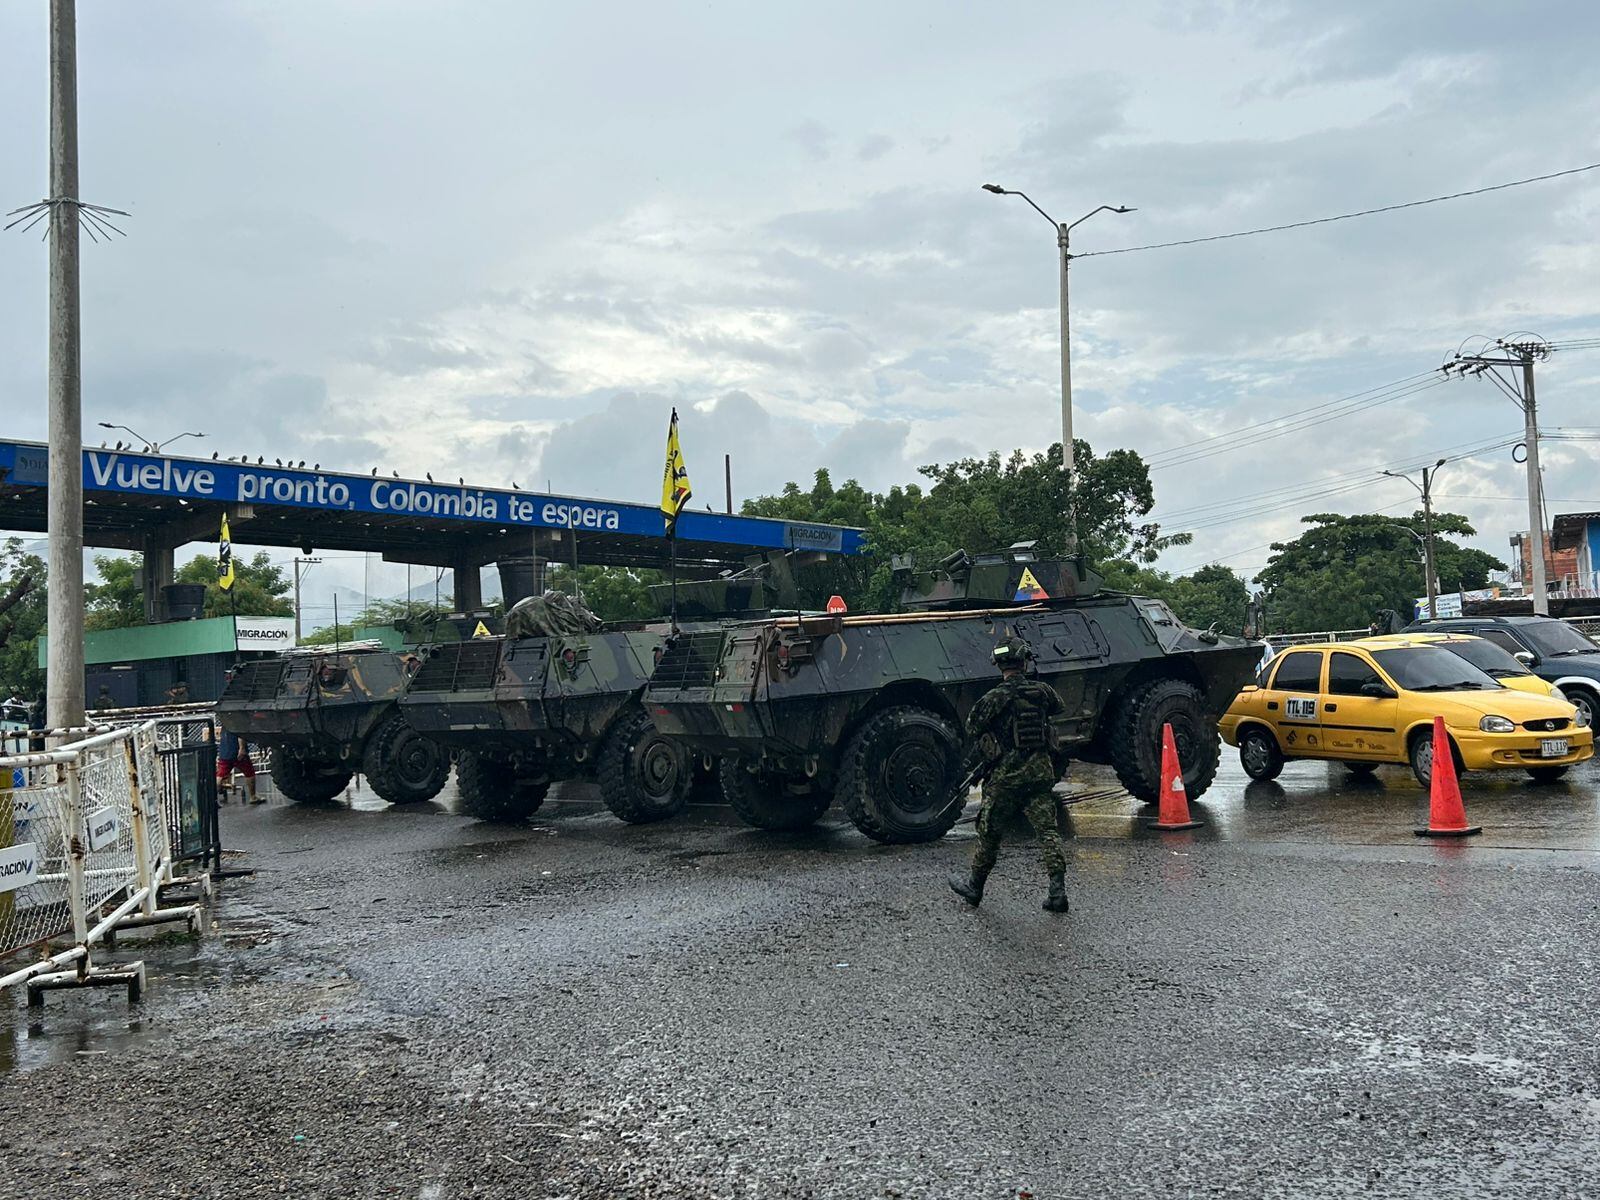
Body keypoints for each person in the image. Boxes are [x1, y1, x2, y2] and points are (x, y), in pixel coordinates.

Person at [950, 637, 1070, 913]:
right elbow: (1058, 706)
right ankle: (1057, 892)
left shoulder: (994, 698)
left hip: (1006, 778)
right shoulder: (1043, 692)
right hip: (1039, 774)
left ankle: (974, 887)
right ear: (1024, 660)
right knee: (1048, 831)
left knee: (989, 833)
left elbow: (972, 726)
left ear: (999, 664)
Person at [216, 726, 261, 804]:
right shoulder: (237, 719)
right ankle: (253, 796)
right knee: (249, 772)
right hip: (237, 751)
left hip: (225, 752)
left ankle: (213, 798)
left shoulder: (225, 721)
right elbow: (240, 734)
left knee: (220, 775)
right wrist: (242, 748)